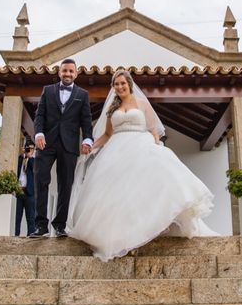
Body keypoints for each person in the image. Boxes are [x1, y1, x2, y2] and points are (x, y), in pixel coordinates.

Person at [66, 69, 216, 262]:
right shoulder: (112, 109)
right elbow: (106, 135)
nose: (120, 87)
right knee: (118, 193)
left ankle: (153, 225)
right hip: (116, 150)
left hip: (141, 144)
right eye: (116, 84)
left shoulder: (143, 104)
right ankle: (123, 233)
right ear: (113, 87)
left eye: (123, 83)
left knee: (151, 183)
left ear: (129, 84)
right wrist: (89, 147)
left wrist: (155, 145)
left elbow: (154, 130)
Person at [31, 58, 93, 238]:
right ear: (59, 72)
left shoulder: (83, 94)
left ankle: (60, 225)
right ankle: (40, 225)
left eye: (71, 71)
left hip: (69, 145)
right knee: (41, 181)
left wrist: (87, 139)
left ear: (76, 73)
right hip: (46, 143)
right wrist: (38, 134)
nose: (67, 74)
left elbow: (86, 120)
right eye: (64, 71)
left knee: (65, 185)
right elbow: (39, 115)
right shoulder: (47, 91)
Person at [15, 143, 36, 237]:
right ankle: (15, 236)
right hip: (18, 191)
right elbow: (15, 167)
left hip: (30, 193)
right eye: (28, 148)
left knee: (31, 217)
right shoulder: (19, 159)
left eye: (31, 148)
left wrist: (29, 157)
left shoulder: (34, 160)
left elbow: (34, 169)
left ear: (34, 149)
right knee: (16, 217)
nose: (29, 150)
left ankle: (30, 236)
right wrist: (23, 154)